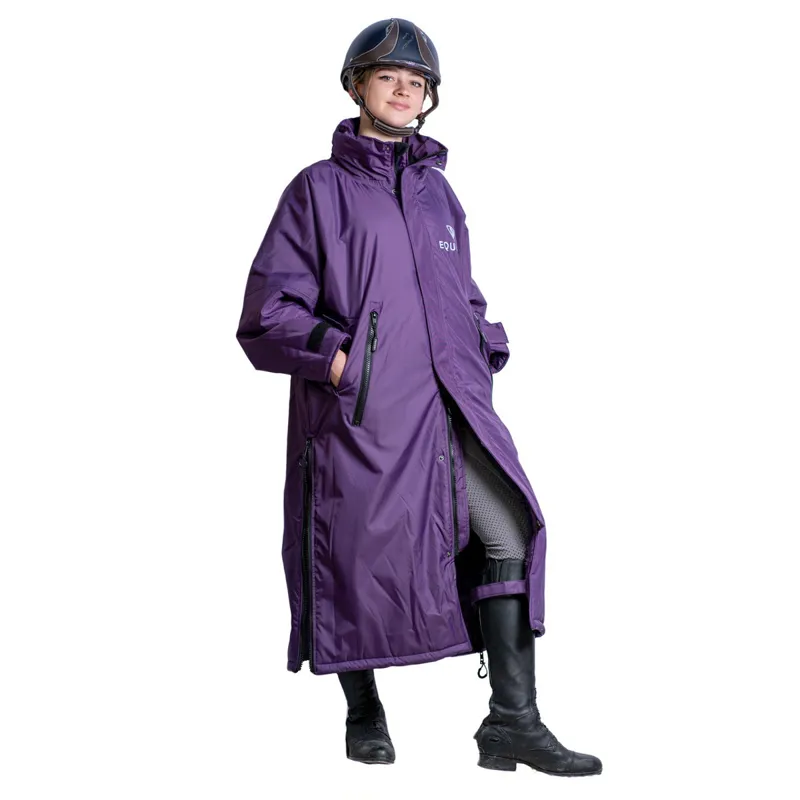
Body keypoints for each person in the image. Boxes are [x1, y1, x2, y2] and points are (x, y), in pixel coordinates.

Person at [235, 17, 601, 776]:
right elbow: (269, 311)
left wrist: (482, 342)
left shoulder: (439, 194)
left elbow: (460, 289)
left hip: (450, 406)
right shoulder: (318, 190)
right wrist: (341, 361)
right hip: (363, 415)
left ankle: (512, 722)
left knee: (508, 532)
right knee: (352, 554)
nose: (404, 91)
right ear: (356, 87)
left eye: (417, 82)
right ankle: (363, 710)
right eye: (388, 78)